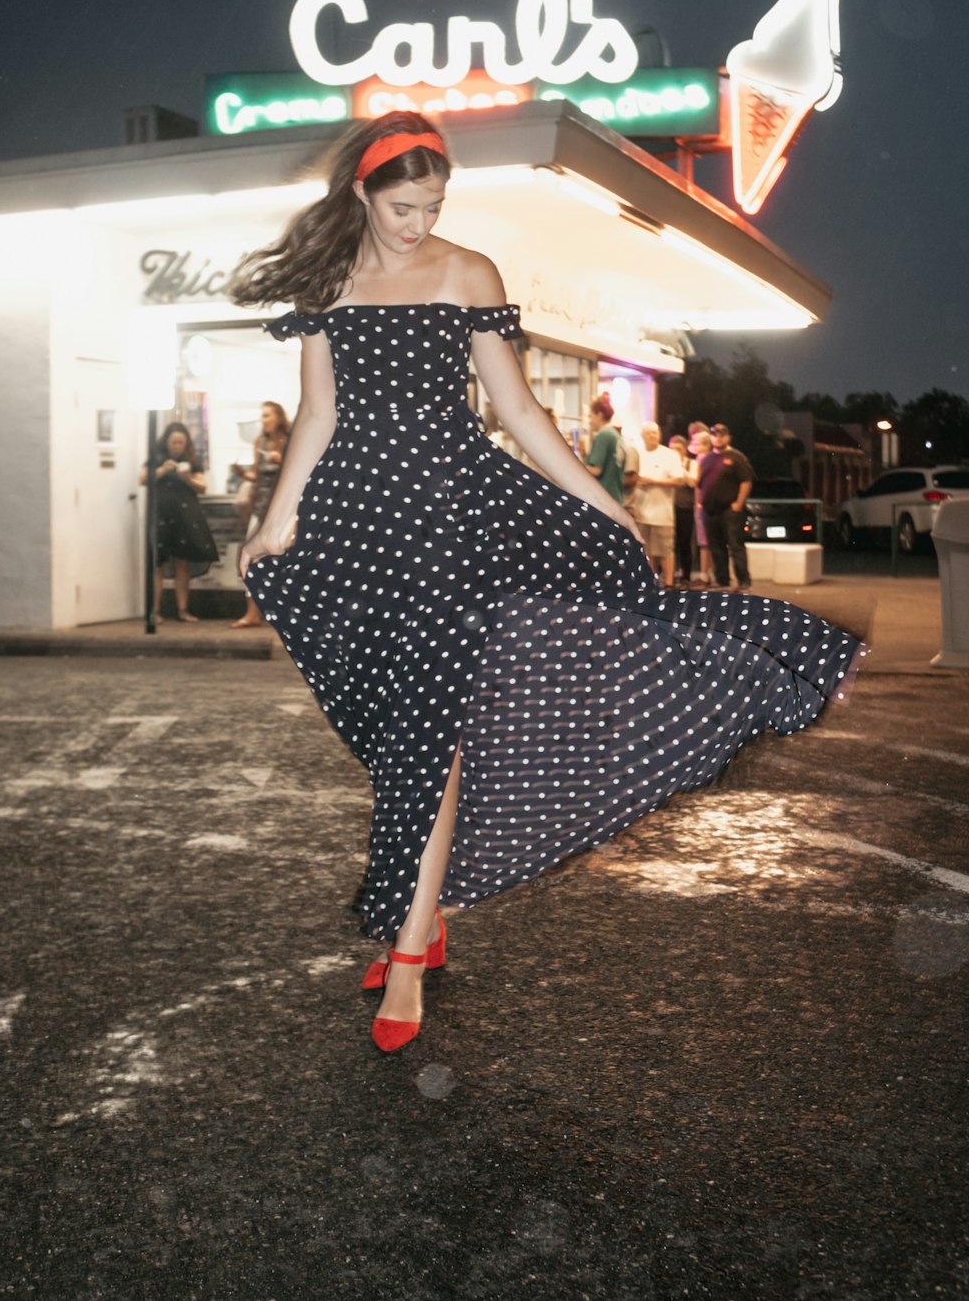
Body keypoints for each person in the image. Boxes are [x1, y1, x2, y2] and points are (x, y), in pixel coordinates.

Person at [232, 110, 861, 1055]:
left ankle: (408, 951)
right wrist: (276, 521)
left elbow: (517, 407)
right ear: (361, 192)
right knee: (394, 729)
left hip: (452, 519)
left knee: (433, 735)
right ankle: (425, 909)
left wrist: (602, 503)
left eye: (434, 202)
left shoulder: (466, 271)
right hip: (361, 522)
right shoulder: (330, 276)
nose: (418, 220)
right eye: (403, 204)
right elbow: (318, 413)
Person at [138, 422, 218, 622]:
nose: (177, 446)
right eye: (174, 442)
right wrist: (163, 470)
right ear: (166, 442)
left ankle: (183, 610)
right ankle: (154, 611)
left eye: (181, 442)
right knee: (158, 562)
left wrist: (187, 478)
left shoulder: (192, 461)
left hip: (185, 513)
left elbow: (202, 487)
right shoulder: (156, 459)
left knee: (183, 562)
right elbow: (142, 479)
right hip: (161, 513)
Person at [230, 401, 291, 628]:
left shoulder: (290, 441)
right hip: (261, 504)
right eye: (262, 416)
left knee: (281, 558)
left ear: (279, 417)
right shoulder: (261, 442)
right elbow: (256, 474)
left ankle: (280, 610)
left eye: (267, 416)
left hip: (283, 507)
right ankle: (252, 612)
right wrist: (241, 473)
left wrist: (282, 461)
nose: (264, 420)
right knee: (252, 557)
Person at [698, 423, 754, 590]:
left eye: (722, 434)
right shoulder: (707, 459)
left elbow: (746, 481)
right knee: (716, 547)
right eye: (715, 435)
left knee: (735, 545)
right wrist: (701, 503)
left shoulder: (737, 457)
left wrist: (739, 503)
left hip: (729, 510)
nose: (719, 437)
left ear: (728, 437)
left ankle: (743, 580)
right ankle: (722, 581)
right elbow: (701, 483)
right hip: (710, 510)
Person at [633, 421, 684, 589]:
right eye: (648, 433)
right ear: (642, 436)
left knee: (665, 550)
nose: (652, 436)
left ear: (660, 435)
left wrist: (654, 481)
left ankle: (669, 584)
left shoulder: (669, 455)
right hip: (641, 510)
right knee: (646, 551)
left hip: (662, 513)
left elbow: (678, 480)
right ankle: (650, 583)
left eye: (655, 432)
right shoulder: (637, 454)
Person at [585, 394, 626, 504]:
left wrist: (575, 465)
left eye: (591, 416)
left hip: (603, 499)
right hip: (616, 497)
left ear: (599, 415)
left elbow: (596, 470)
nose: (590, 421)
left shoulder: (603, 436)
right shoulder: (616, 436)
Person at [668, 434, 696, 587]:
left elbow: (692, 482)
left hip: (685, 507)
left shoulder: (692, 464)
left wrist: (680, 467)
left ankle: (686, 575)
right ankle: (668, 574)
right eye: (672, 449)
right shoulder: (666, 463)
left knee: (684, 542)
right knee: (669, 543)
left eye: (678, 449)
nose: (674, 452)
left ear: (684, 450)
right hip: (668, 507)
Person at [688, 427, 715, 586]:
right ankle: (706, 573)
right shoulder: (704, 459)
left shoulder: (703, 460)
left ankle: (705, 574)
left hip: (702, 504)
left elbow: (696, 482)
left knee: (704, 540)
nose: (694, 445)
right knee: (704, 539)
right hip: (702, 503)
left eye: (697, 443)